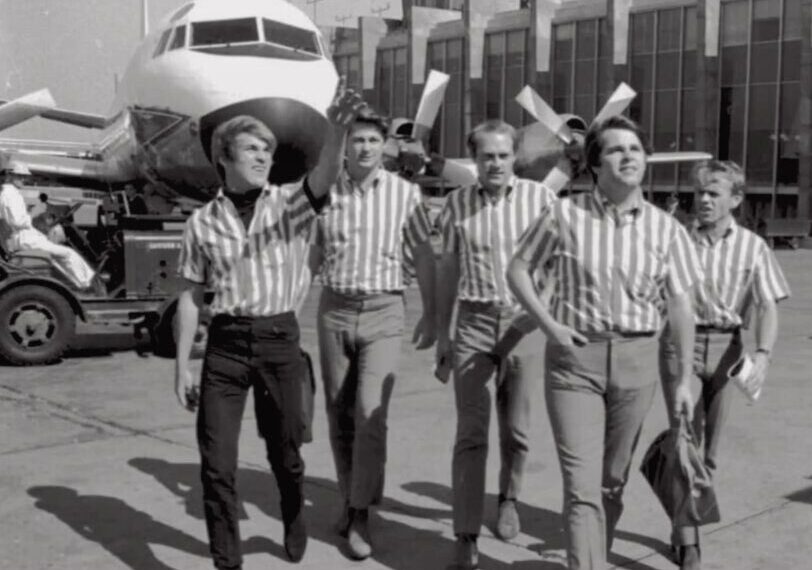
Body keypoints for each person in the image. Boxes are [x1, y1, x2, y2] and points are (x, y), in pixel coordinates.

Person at [173, 87, 365, 570]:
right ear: (224, 157)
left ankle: (293, 514)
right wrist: (181, 367)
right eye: (251, 149)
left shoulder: (287, 206)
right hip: (225, 348)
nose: (262, 157)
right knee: (216, 465)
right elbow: (191, 297)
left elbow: (324, 175)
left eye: (267, 150)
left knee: (287, 454)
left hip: (279, 341)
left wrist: (337, 130)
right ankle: (228, 561)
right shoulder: (201, 223)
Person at [506, 115, 703, 570]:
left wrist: (682, 381)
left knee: (611, 482)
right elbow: (518, 270)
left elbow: (681, 308)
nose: (628, 156)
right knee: (582, 488)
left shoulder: (666, 229)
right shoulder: (563, 214)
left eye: (635, 149)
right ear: (595, 163)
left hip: (637, 362)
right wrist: (549, 325)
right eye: (615, 149)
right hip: (575, 363)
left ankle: (593, 555)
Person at [312, 107, 436, 560]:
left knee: (370, 412)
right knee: (338, 413)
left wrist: (432, 314)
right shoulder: (325, 192)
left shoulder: (405, 195)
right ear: (344, 145)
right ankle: (350, 496)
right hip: (335, 311)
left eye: (372, 140)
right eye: (357, 139)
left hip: (384, 311)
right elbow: (312, 252)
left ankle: (361, 511)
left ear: (386, 147)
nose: (364, 148)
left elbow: (423, 254)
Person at [436, 119, 558, 570]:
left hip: (523, 326)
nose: (496, 164)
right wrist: (443, 333)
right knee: (470, 433)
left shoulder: (540, 199)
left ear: (515, 157)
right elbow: (448, 269)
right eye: (487, 156)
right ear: (474, 159)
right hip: (473, 322)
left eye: (504, 155)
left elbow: (560, 261)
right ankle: (465, 533)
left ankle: (508, 498)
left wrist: (540, 309)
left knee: (516, 430)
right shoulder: (457, 204)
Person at [658, 160, 790, 570]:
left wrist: (763, 353)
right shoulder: (677, 241)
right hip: (680, 345)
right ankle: (688, 541)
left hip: (728, 348)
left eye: (714, 193)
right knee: (684, 441)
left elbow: (768, 305)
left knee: (709, 451)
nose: (704, 200)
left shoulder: (753, 247)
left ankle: (685, 516)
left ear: (735, 199)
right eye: (700, 192)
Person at [0, 159, 97, 291]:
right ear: (10, 176)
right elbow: (17, 221)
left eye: (24, 176)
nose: (23, 179)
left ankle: (76, 284)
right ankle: (88, 286)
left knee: (59, 254)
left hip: (20, 239)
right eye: (19, 176)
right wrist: (34, 213)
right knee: (68, 253)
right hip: (24, 240)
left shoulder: (8, 193)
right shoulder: (10, 195)